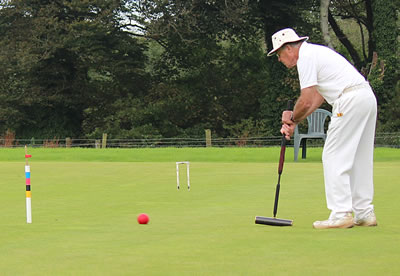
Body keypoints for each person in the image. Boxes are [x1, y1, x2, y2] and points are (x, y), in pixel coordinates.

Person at [267, 28, 378, 229]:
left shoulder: (306, 57)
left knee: (333, 155)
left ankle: (341, 213)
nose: (279, 59)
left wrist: (291, 118)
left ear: (289, 48)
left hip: (349, 101)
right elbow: (317, 97)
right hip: (366, 97)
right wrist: (295, 121)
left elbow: (306, 100)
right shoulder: (316, 53)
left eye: (279, 54)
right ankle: (364, 212)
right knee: (360, 157)